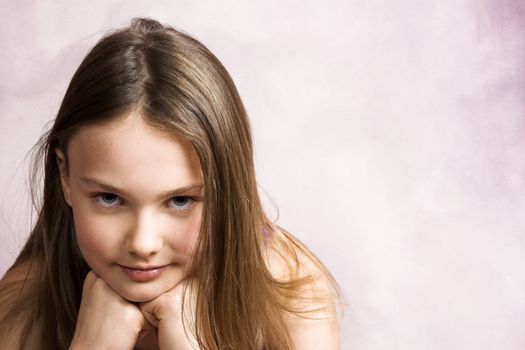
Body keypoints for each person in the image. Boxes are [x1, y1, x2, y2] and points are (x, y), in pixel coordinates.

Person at [0, 17, 342, 349]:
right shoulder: (24, 305)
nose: (143, 244)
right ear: (65, 177)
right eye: (108, 198)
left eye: (180, 201)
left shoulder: (291, 295)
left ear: (228, 188)